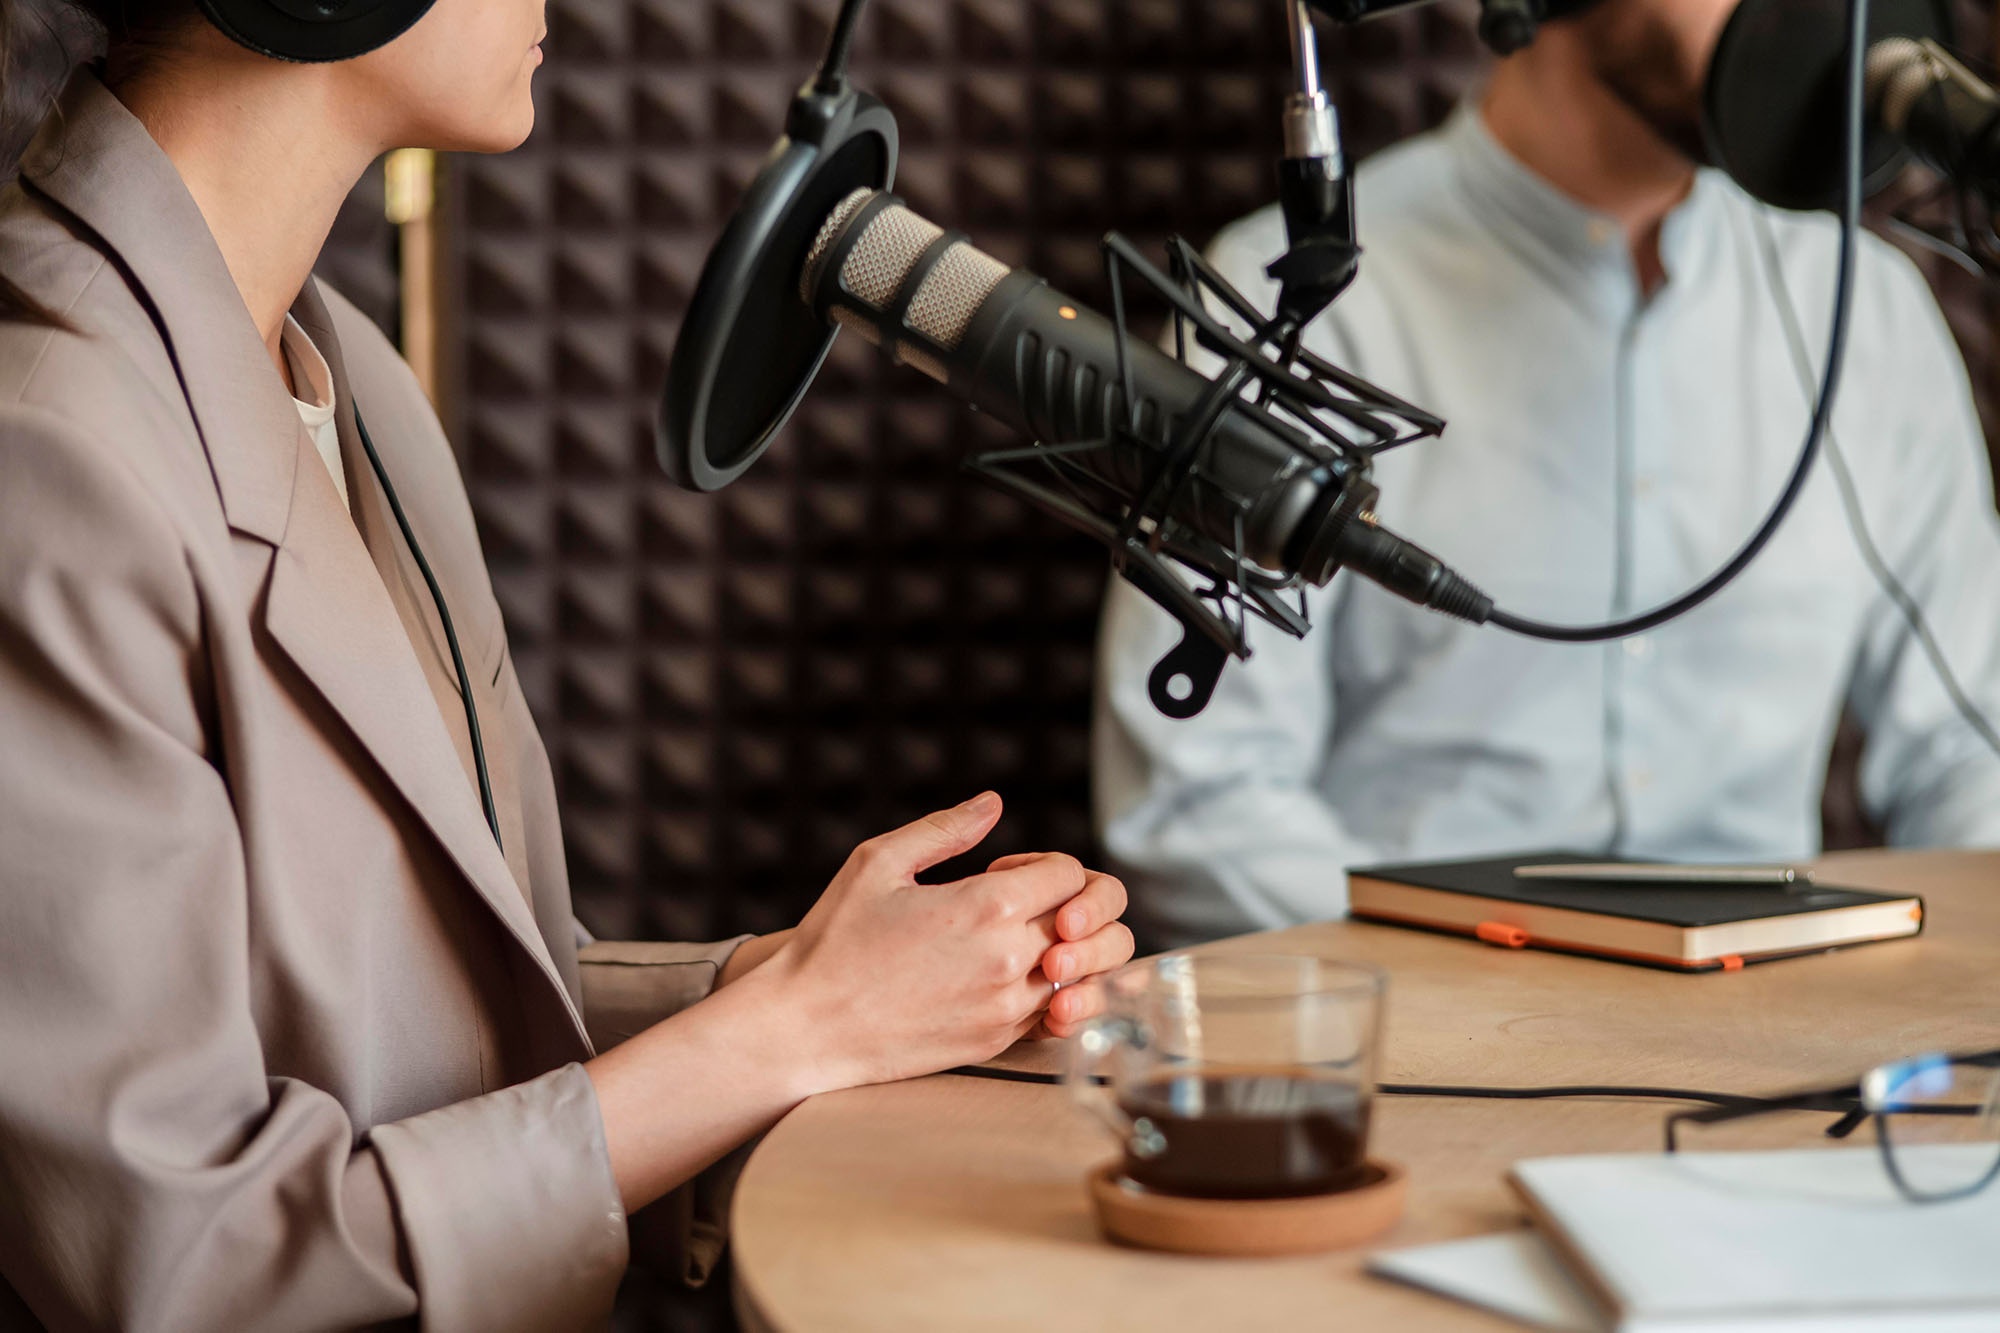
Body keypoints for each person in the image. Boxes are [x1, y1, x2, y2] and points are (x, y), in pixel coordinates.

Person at [0, 2, 1136, 1327]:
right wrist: (794, 1030)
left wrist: (803, 986)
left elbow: (431, 1030)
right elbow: (183, 1261)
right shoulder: (50, 458)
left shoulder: (342, 372)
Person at [1095, 0, 2000, 949]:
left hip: (1780, 1012)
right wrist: (1485, 998)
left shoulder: (1870, 311)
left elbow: (1970, 748)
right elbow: (1199, 806)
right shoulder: (1289, 302)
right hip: (1429, 1013)